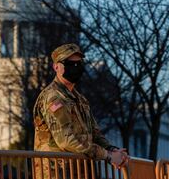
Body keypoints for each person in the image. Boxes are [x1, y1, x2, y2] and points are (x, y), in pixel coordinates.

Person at [33, 43, 129, 178]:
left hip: (79, 171)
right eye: (69, 63)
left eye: (79, 63)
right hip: (56, 173)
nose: (75, 67)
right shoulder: (53, 98)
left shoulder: (81, 100)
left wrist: (112, 150)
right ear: (56, 67)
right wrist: (107, 156)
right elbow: (66, 140)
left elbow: (95, 134)